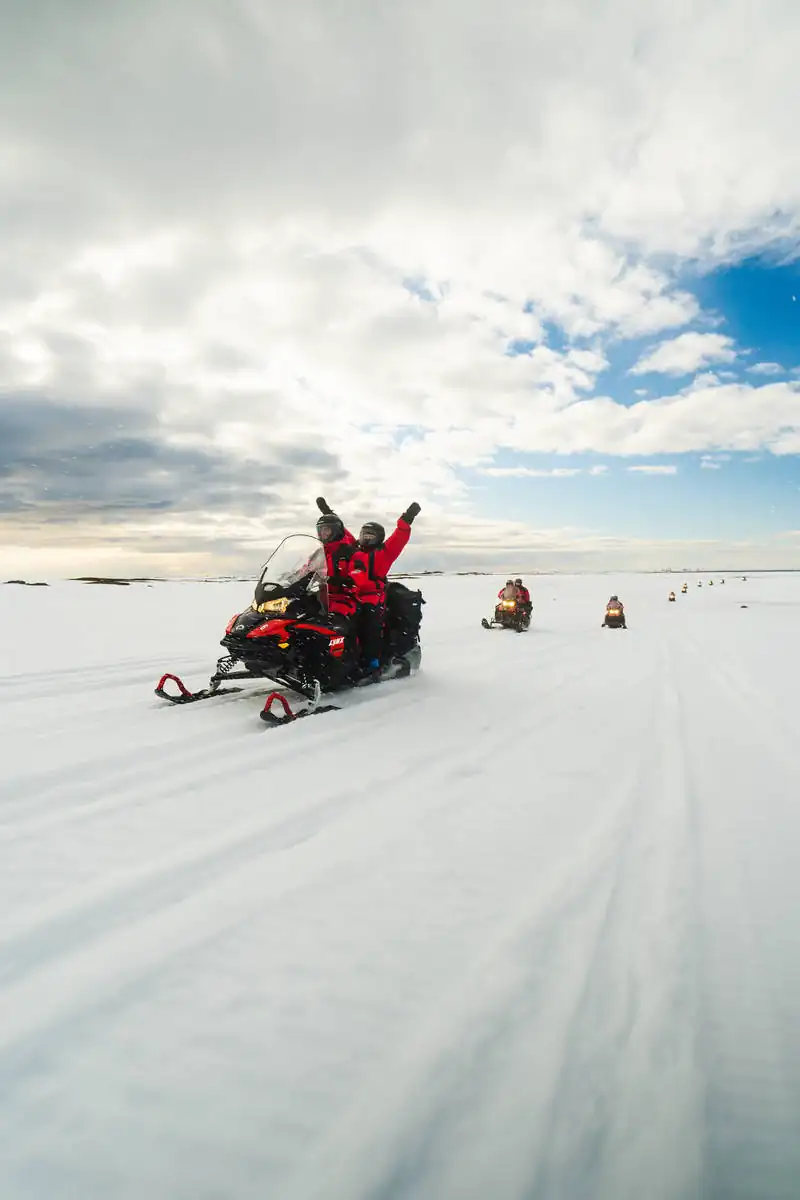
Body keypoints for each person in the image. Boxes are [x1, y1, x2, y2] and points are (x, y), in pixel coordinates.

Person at [348, 503, 421, 681]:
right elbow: (343, 537)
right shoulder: (353, 552)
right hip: (351, 595)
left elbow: (399, 538)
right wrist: (329, 516)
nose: (366, 539)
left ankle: (373, 663)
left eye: (370, 536)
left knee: (369, 623)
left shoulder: (383, 553)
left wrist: (406, 519)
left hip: (373, 598)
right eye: (364, 535)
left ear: (378, 538)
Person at [314, 497, 358, 619]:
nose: (323, 533)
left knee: (336, 622)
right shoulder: (319, 553)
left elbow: (359, 574)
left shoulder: (349, 551)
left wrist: (345, 581)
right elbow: (307, 568)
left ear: (335, 531)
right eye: (321, 530)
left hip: (344, 599)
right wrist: (293, 577)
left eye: (326, 530)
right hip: (322, 597)